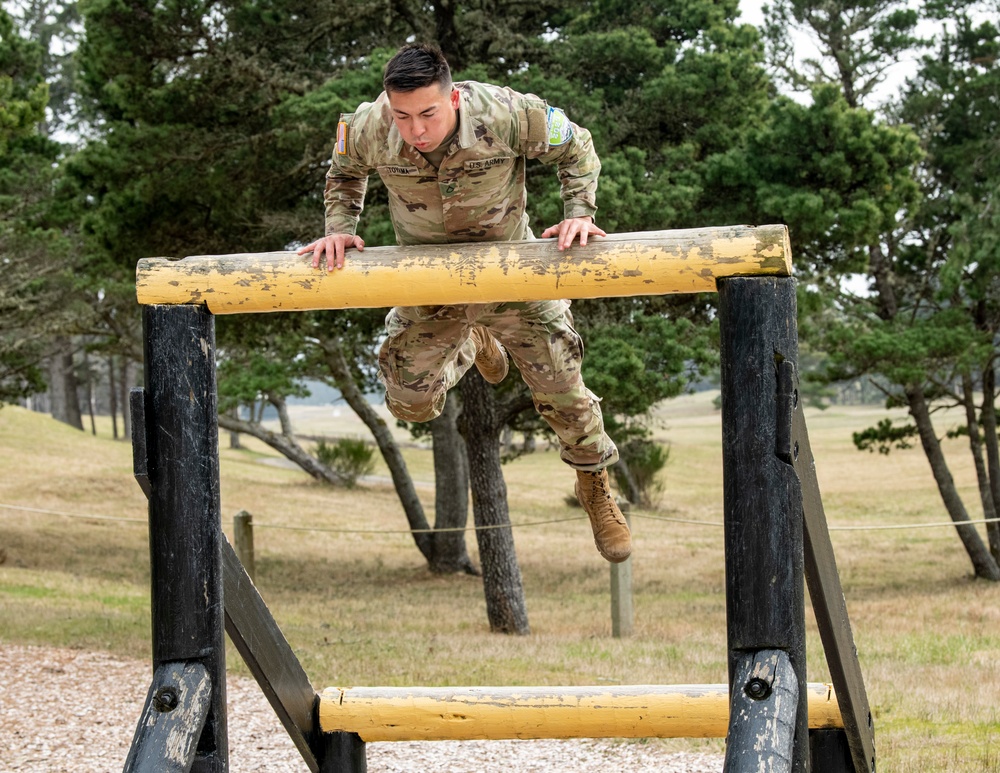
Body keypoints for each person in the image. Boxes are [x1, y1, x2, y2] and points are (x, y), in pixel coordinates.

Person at [297, 43, 631, 563]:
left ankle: (595, 488)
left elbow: (577, 145)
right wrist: (339, 231)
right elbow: (343, 172)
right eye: (403, 116)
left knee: (564, 391)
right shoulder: (368, 126)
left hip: (511, 275)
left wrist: (579, 213)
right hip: (429, 283)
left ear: (453, 97)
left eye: (428, 113)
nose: (416, 129)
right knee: (409, 402)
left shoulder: (507, 112)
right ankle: (474, 341)